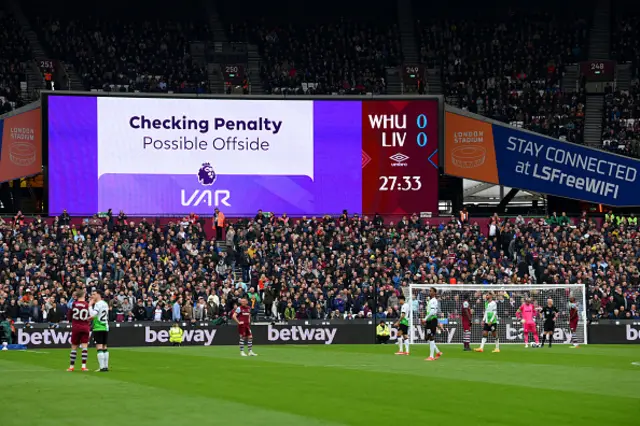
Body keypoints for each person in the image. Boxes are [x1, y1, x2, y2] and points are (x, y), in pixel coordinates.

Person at [67, 289, 92, 372]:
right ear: (83, 295)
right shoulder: (87, 305)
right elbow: (90, 315)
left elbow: (69, 316)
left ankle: (71, 366)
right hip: (85, 327)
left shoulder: (74, 304)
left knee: (74, 347)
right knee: (84, 347)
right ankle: (83, 366)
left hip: (76, 327)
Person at [91, 291, 110, 372]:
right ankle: (105, 366)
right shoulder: (105, 303)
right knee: (104, 347)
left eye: (94, 294)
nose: (92, 296)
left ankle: (102, 367)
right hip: (105, 326)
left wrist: (89, 306)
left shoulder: (98, 304)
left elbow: (93, 314)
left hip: (98, 327)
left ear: (98, 295)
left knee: (99, 347)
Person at [423, 287, 443, 361]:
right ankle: (438, 352)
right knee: (427, 337)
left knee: (431, 337)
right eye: (429, 291)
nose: (430, 292)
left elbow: (432, 312)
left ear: (434, 293)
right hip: (429, 321)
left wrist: (424, 319)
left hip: (432, 320)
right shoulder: (430, 300)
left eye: (431, 291)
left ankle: (431, 356)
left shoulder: (434, 301)